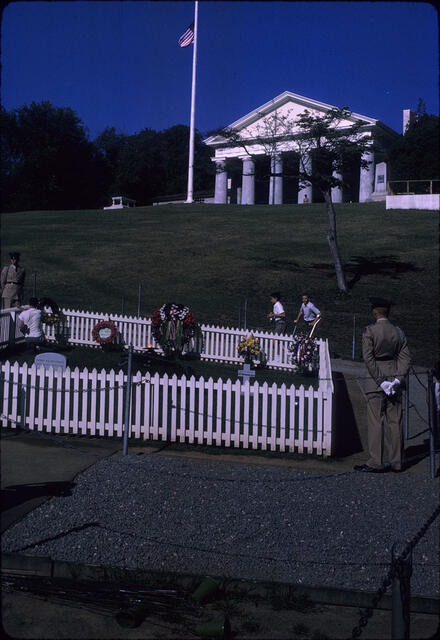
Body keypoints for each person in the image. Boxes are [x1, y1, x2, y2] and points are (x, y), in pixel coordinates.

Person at [355, 297, 411, 473]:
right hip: (393, 376)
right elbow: (405, 358)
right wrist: (397, 380)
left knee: (376, 421)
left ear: (374, 311)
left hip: (375, 381)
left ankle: (375, 462)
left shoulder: (369, 331)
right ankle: (397, 462)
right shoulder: (398, 332)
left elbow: (368, 359)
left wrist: (381, 381)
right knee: (395, 422)